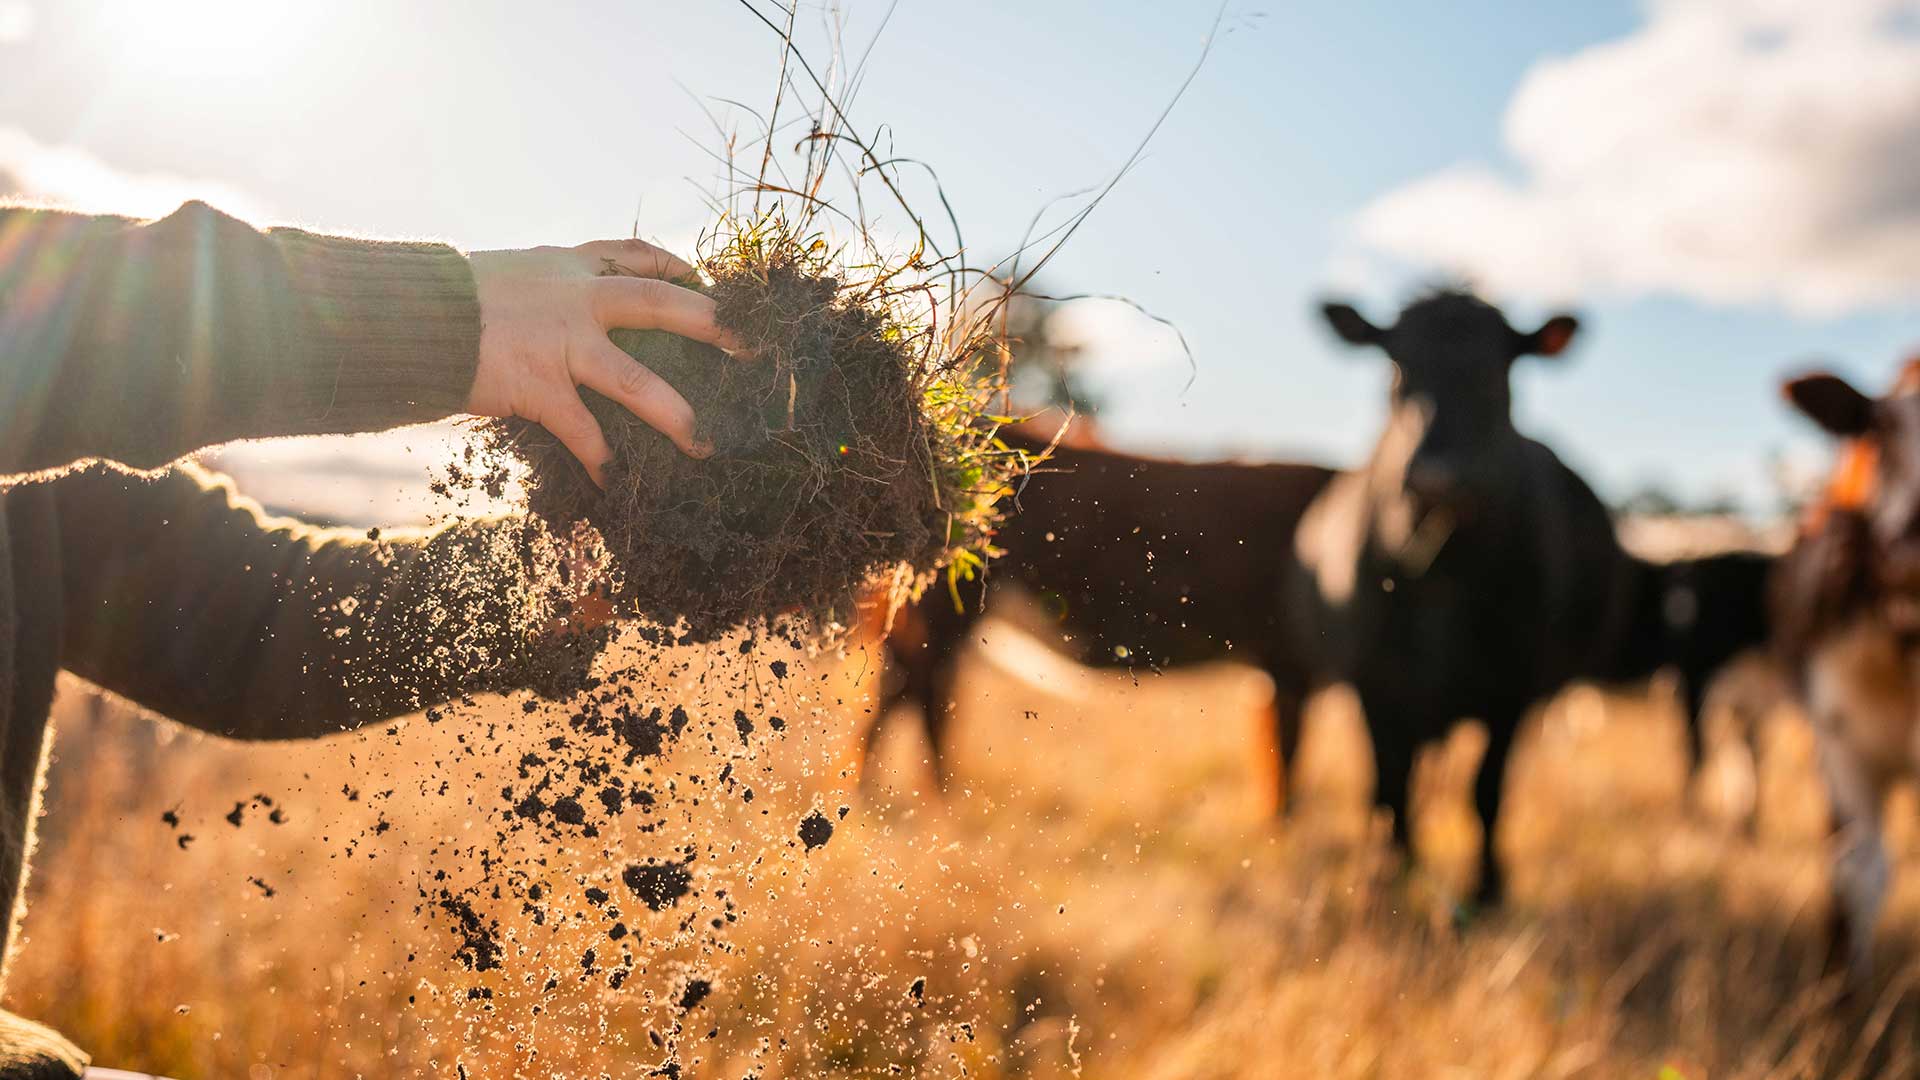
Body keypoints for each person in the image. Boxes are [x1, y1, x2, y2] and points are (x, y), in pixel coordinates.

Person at [0, 198, 744, 1077]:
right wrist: (452, 318)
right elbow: (75, 313)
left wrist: (545, 585)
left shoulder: (35, 488)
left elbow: (246, 624)